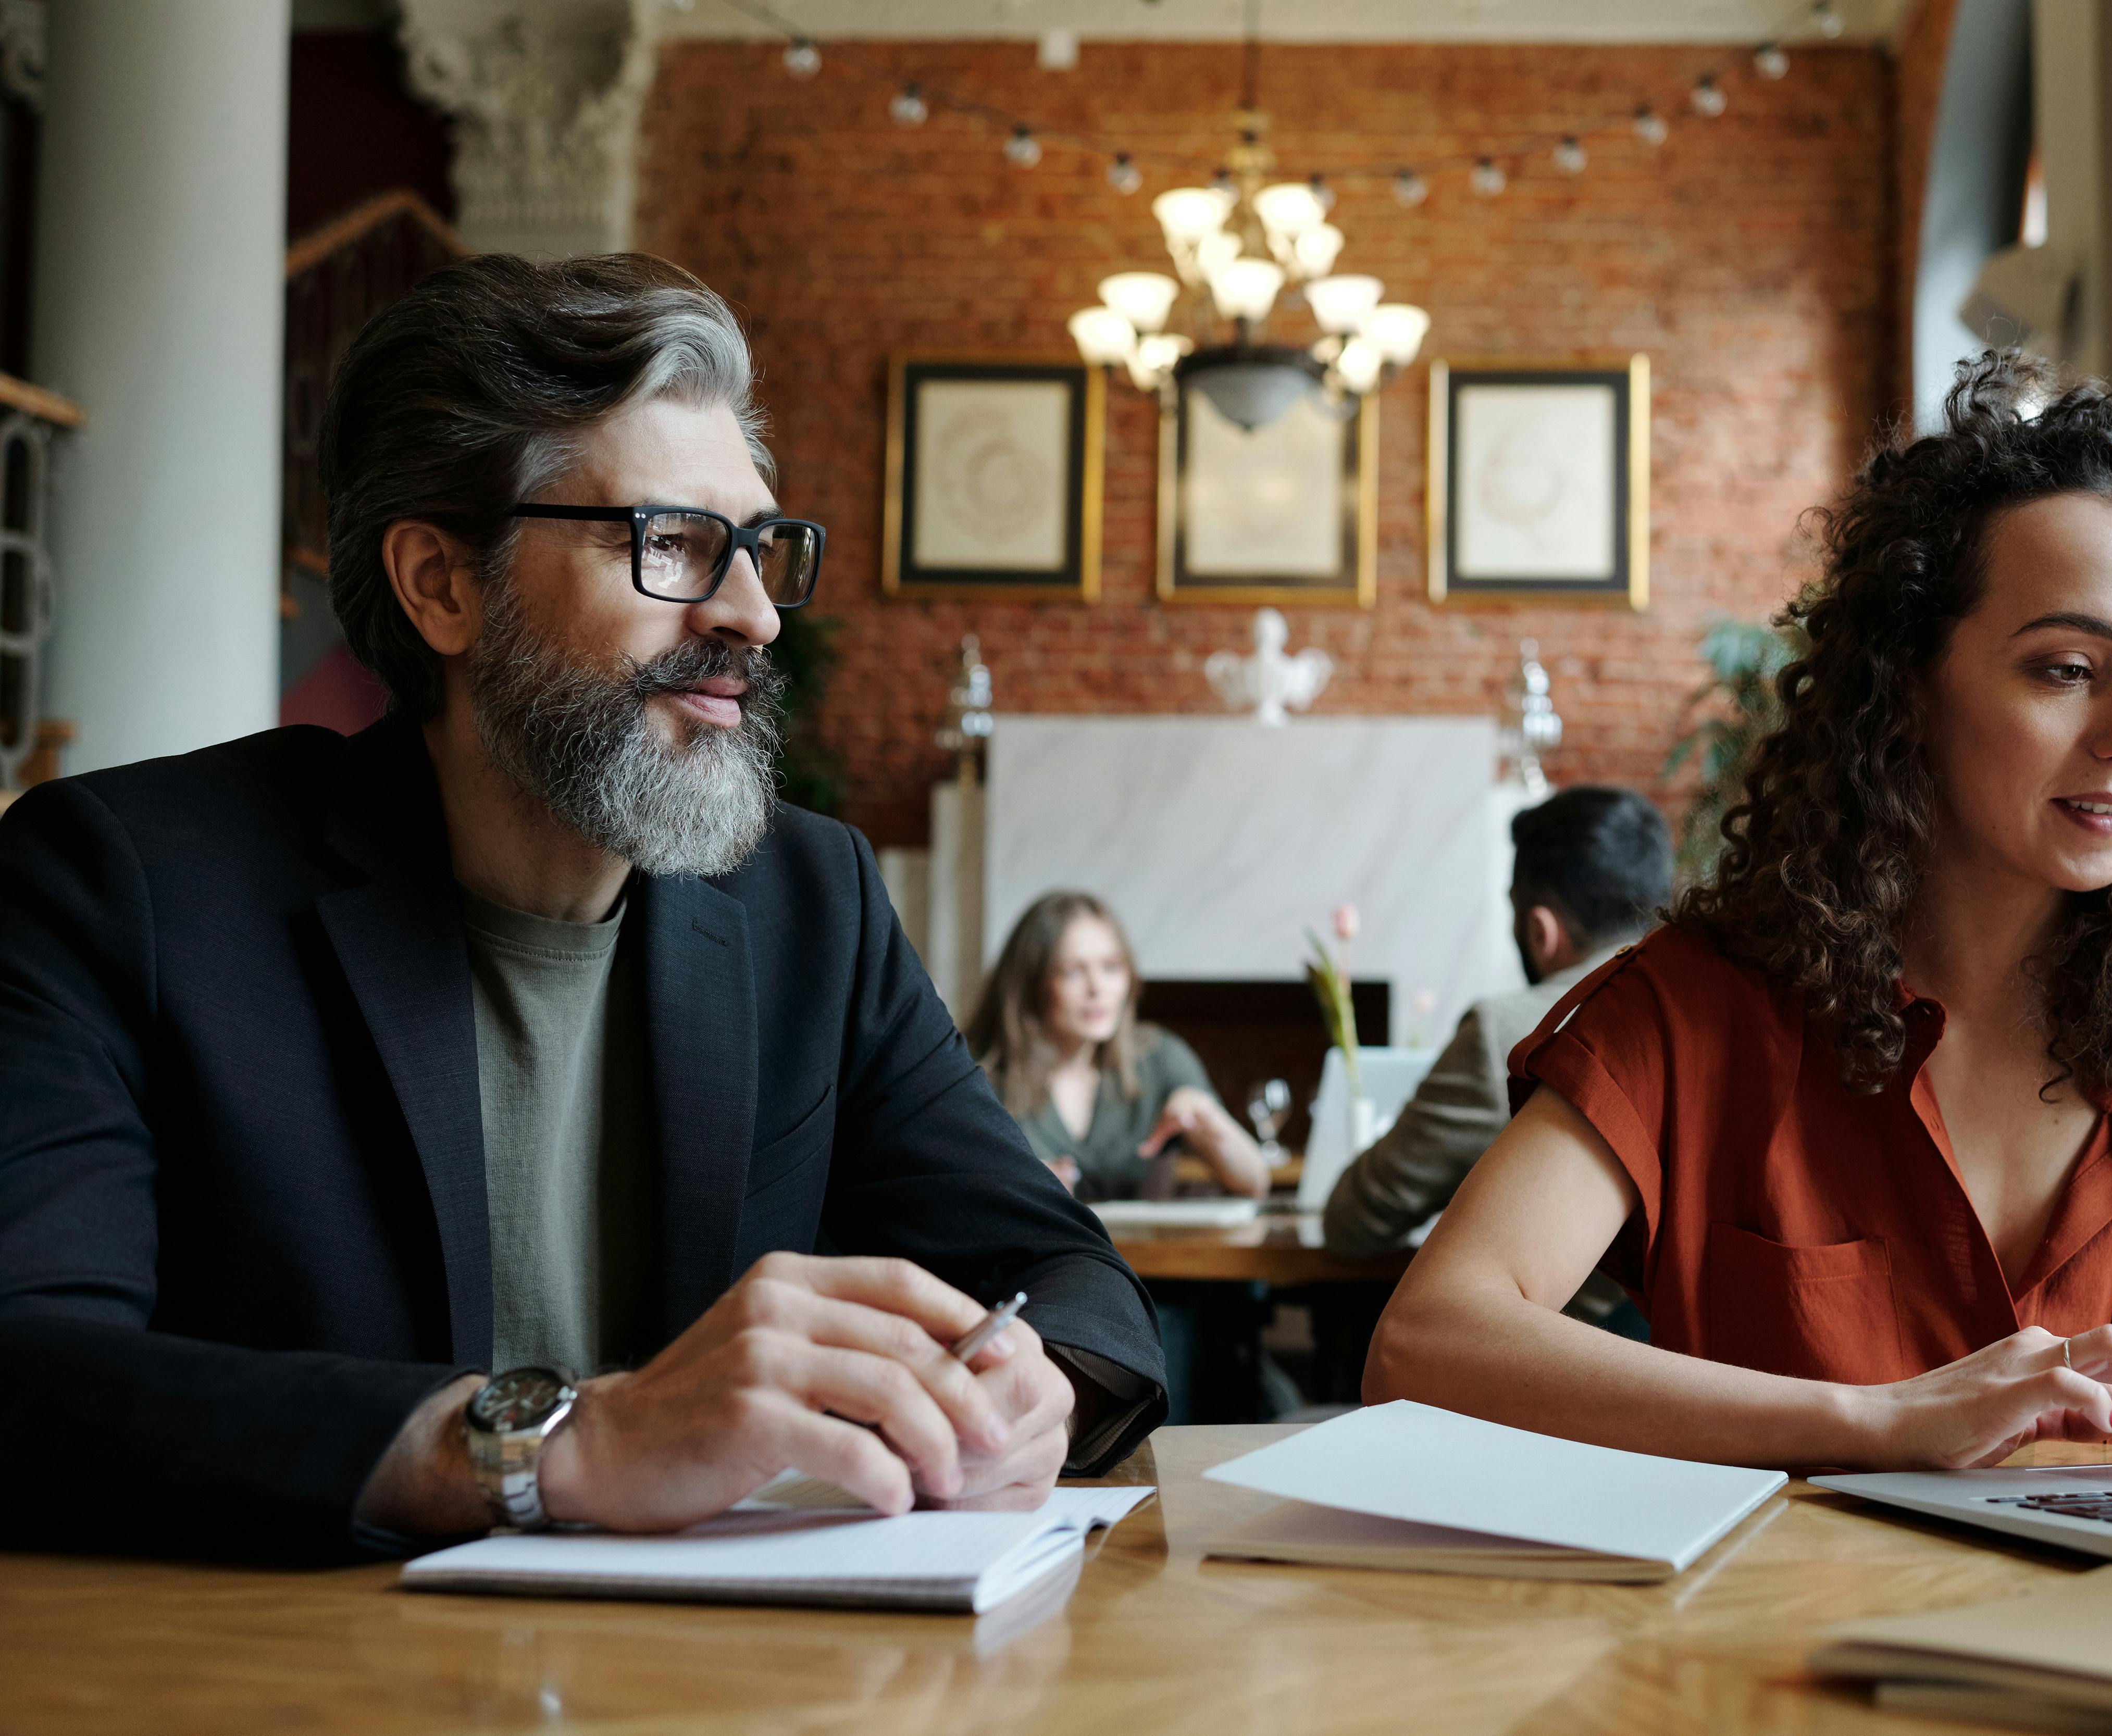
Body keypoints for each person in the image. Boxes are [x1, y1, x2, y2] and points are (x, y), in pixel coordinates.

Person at [0, 254, 1164, 1563]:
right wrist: (557, 1446)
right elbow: (32, 1373)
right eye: (671, 544)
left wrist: (1033, 1388)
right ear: (443, 585)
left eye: (762, 547)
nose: (754, 614)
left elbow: (1064, 1275)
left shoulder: (809, 903)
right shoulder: (126, 887)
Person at [1368, 353, 2112, 1473]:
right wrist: (1881, 1422)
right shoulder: (1700, 1014)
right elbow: (1423, 1346)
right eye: (2064, 668)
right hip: (1778, 1644)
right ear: (1909, 682)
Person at [1322, 786, 1672, 1332]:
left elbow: (1355, 1220)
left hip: (1544, 1390)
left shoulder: (1508, 1035)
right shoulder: (1710, 1024)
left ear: (1540, 929)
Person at [967, 892, 1269, 1203]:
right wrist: (1017, 1190)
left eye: (1111, 967)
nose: (1098, 988)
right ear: (1030, 983)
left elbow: (1255, 1181)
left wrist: (1209, 1120)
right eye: (1073, 971)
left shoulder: (1159, 1056)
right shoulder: (975, 1075)